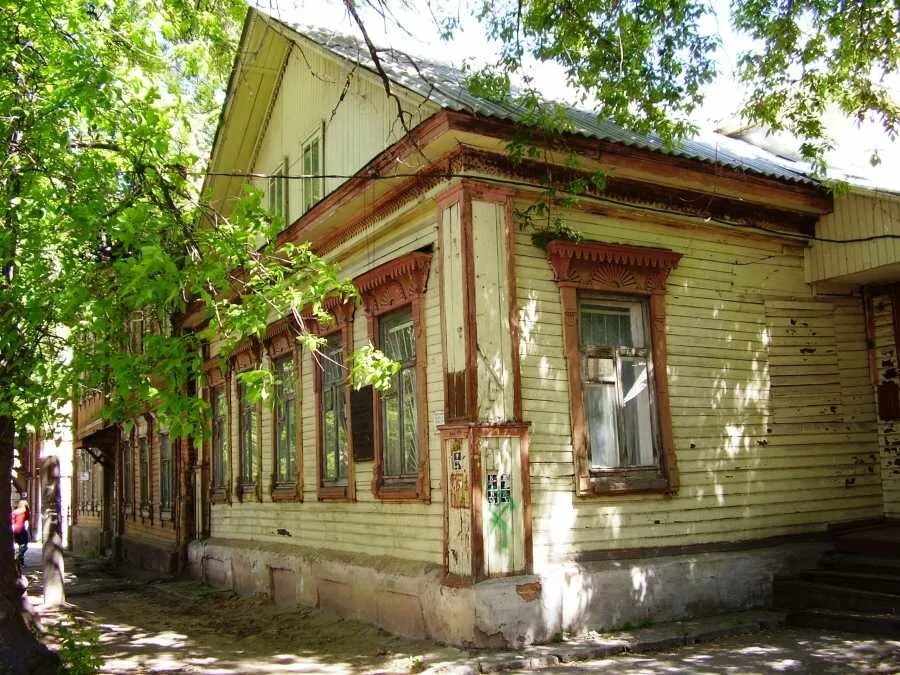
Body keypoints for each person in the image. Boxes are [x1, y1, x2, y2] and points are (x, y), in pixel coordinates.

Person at [11, 498, 30, 571]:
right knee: (23, 546)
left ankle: (20, 562)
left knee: (22, 546)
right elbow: (28, 516)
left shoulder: (15, 512)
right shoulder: (23, 512)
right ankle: (17, 559)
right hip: (20, 530)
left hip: (19, 530)